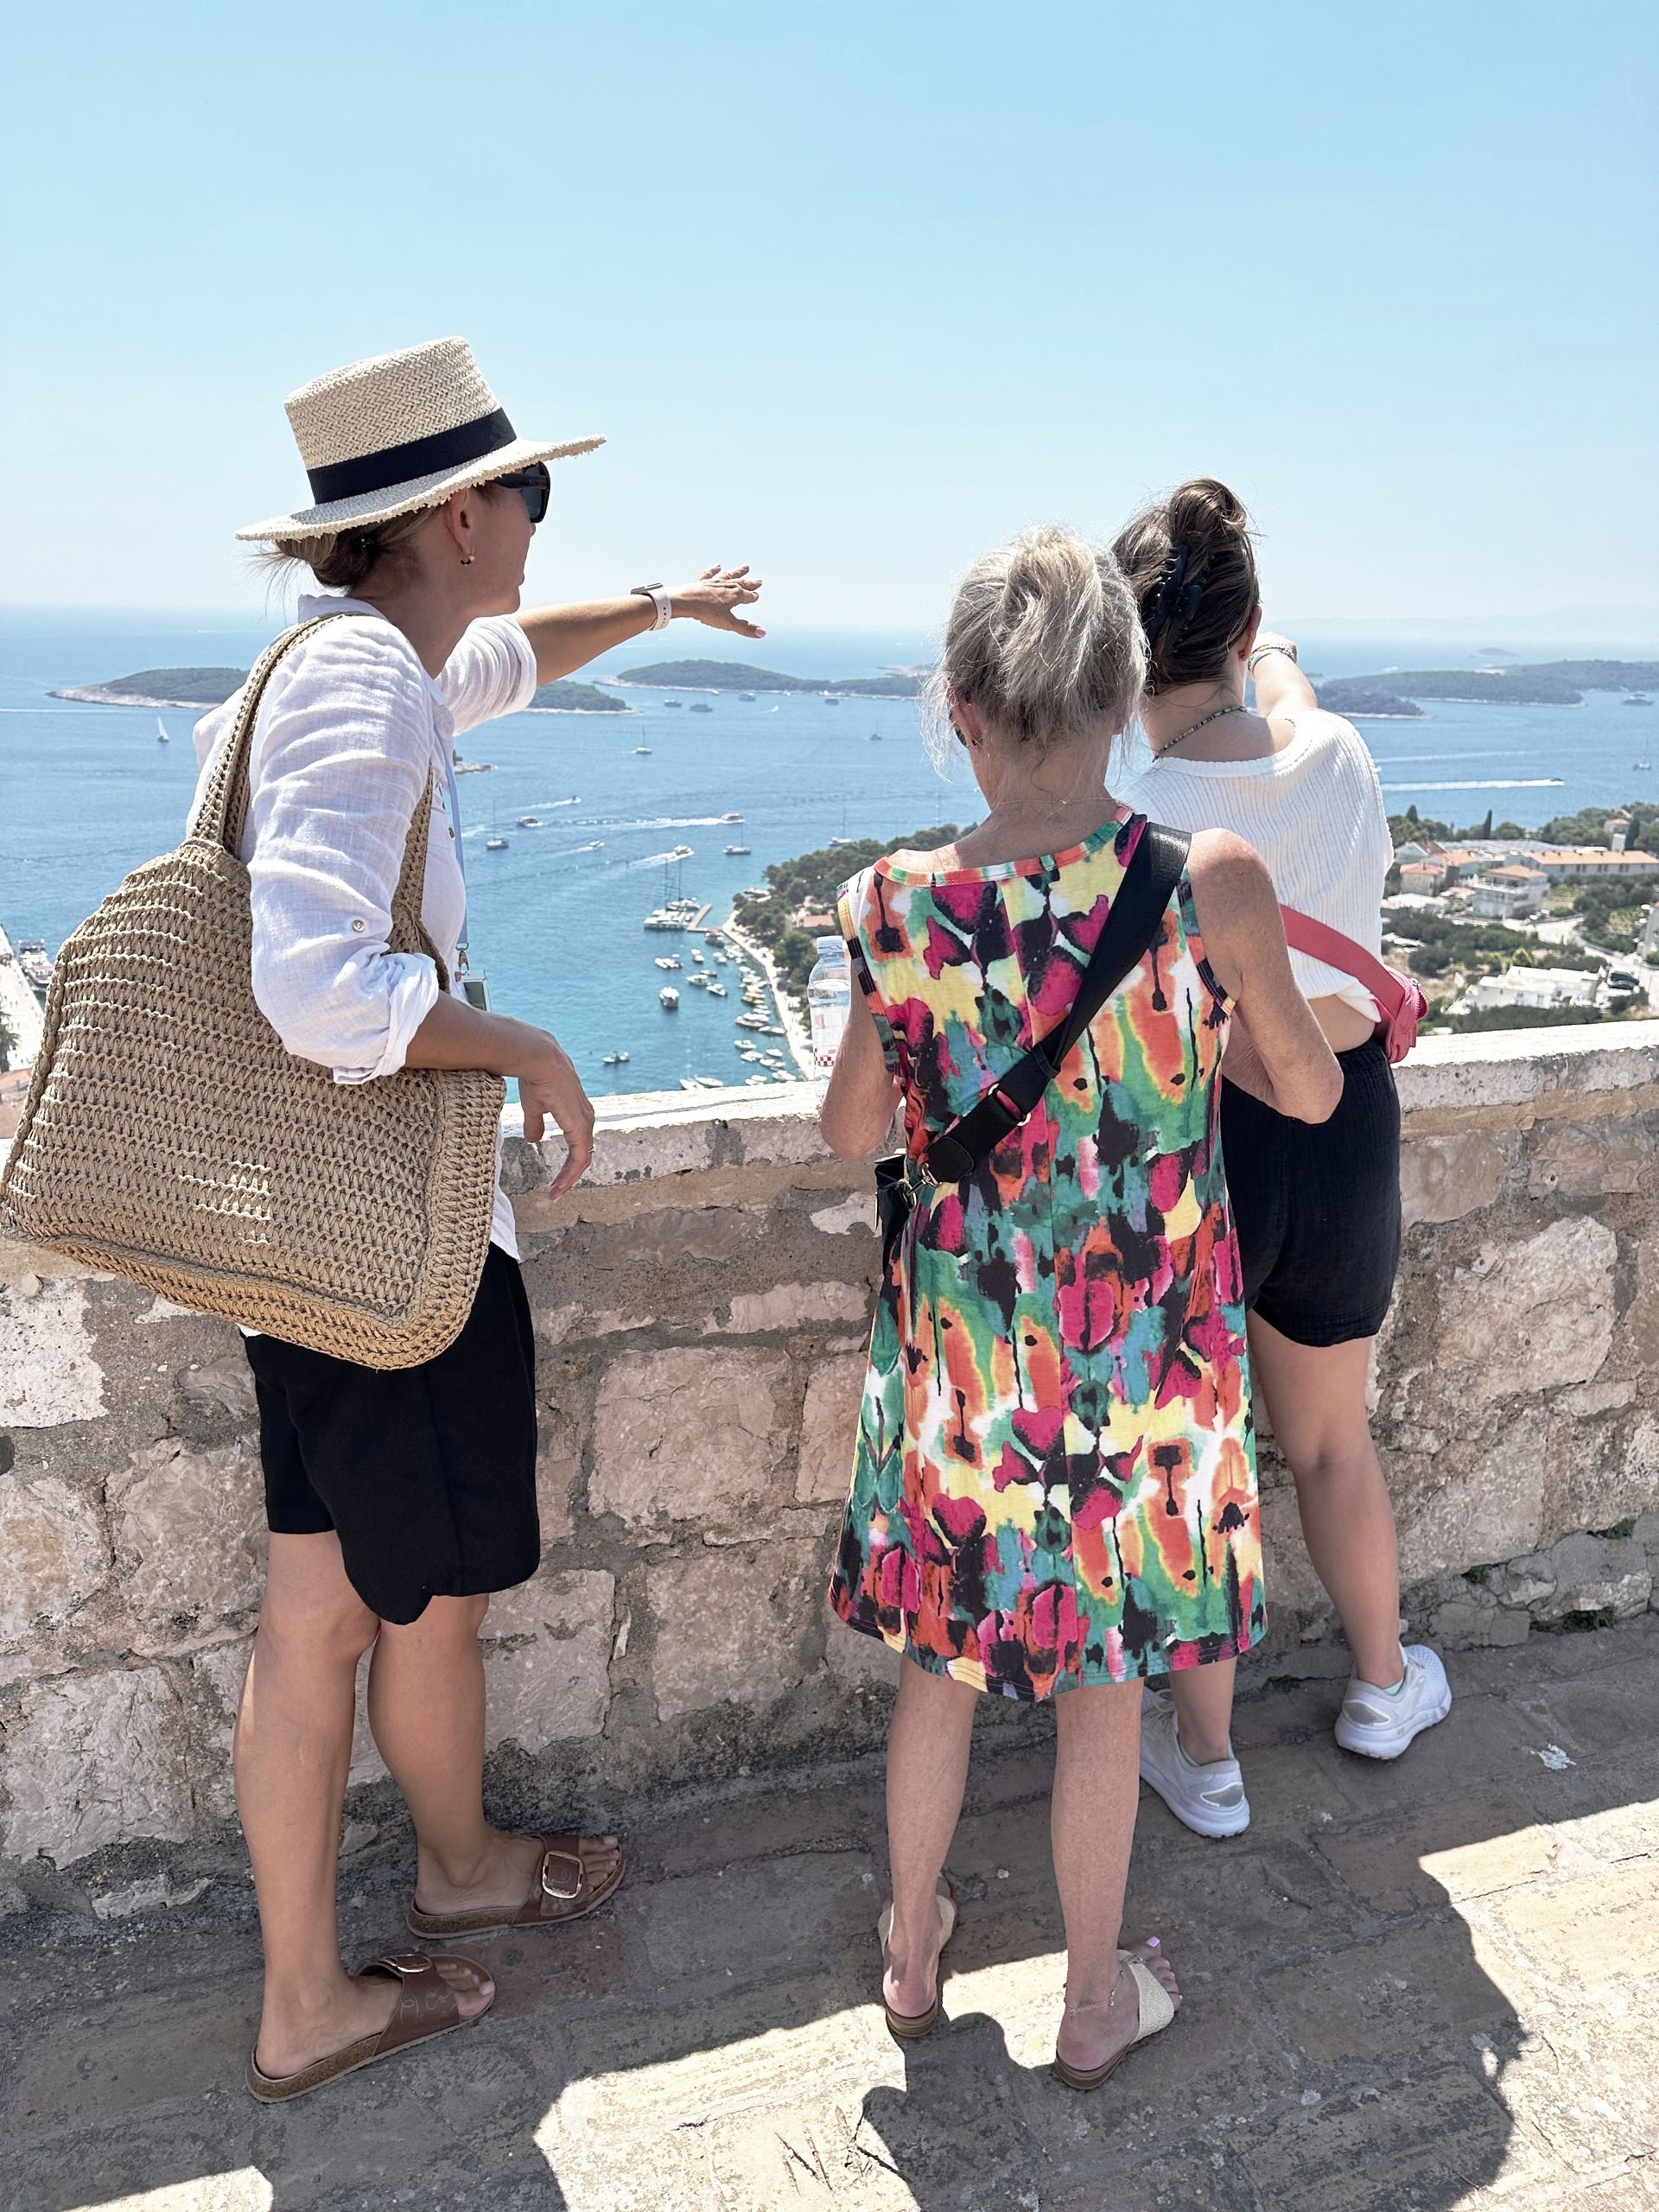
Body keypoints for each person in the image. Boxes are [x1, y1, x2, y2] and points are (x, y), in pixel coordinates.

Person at [203, 337, 765, 2100]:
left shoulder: (352, 663)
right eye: (532, 491)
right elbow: (315, 976)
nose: (536, 517)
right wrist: (518, 1038)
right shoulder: (366, 688)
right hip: (385, 1243)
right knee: (331, 1614)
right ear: (461, 511)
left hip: (317, 1228)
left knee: (383, 1592)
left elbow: (517, 656)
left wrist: (660, 602)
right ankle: (310, 1994)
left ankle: (449, 1868)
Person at [820, 525, 1340, 2089]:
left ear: (962, 712)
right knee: (1105, 1694)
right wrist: (1204, 1058)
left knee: (943, 1669)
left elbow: (854, 1134)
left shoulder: (892, 908)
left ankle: (915, 1954)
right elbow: (1306, 1089)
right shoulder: (1208, 882)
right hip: (1140, 1375)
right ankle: (1094, 1997)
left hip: (967, 1370)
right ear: (1125, 704)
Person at [1114, 478, 1451, 1842]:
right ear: (1246, 622)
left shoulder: (1132, 807)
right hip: (1342, 1114)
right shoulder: (1342, 761)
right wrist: (1274, 649)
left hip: (1203, 1128)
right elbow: (1295, 712)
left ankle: (1208, 1762)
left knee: (1201, 1461)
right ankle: (1381, 1686)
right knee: (1328, 1439)